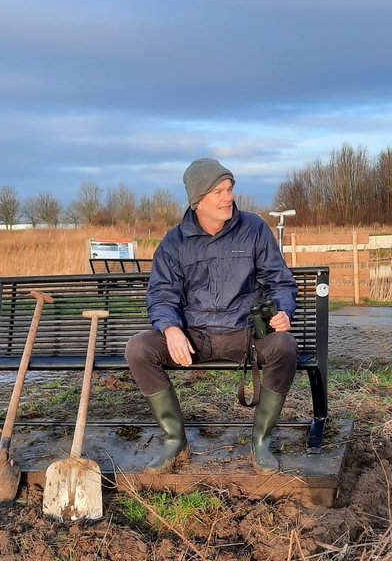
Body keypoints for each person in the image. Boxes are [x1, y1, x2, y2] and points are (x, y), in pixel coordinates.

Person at [125, 158, 298, 473]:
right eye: (218, 191)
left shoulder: (254, 229)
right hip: (195, 338)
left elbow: (280, 281)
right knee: (138, 348)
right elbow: (162, 294)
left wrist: (283, 311)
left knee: (285, 347)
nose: (227, 197)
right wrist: (171, 329)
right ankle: (175, 441)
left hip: (245, 337)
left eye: (229, 188)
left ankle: (260, 442)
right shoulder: (174, 243)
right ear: (197, 200)